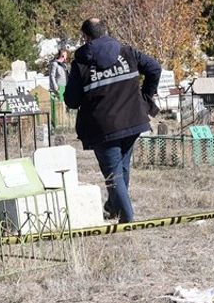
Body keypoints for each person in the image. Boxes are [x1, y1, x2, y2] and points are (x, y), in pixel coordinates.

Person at [63, 17, 162, 223]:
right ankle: (114, 207)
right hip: (133, 121)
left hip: (102, 127)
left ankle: (127, 218)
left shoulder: (81, 63)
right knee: (122, 168)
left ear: (86, 37)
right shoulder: (127, 52)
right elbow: (154, 68)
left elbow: (71, 101)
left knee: (114, 174)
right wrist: (146, 97)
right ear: (106, 31)